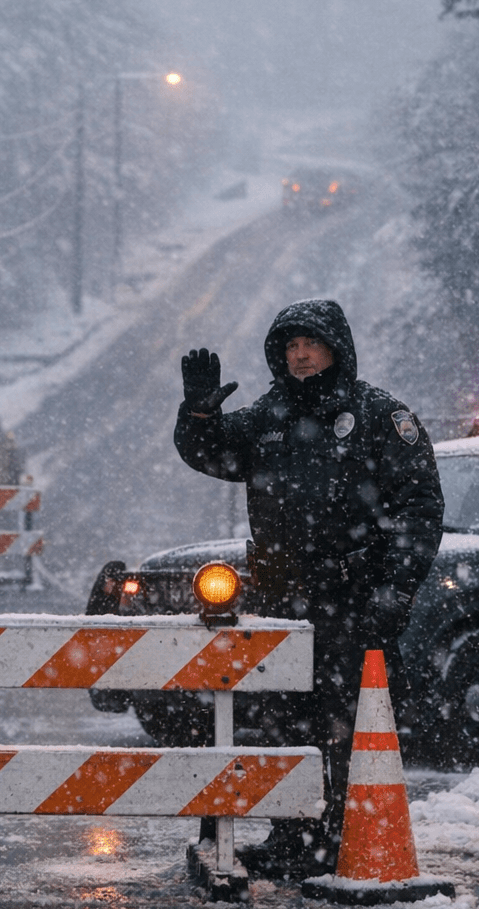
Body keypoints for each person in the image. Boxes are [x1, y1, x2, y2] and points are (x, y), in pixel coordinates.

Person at [174, 297, 443, 878]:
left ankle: (349, 837)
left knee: (347, 725)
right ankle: (292, 836)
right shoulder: (267, 417)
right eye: (290, 347)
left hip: (353, 601)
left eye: (310, 345)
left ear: (336, 349)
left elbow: (420, 508)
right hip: (279, 604)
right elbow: (211, 453)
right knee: (281, 723)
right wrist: (196, 414)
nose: (299, 356)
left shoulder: (378, 417)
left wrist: (396, 589)